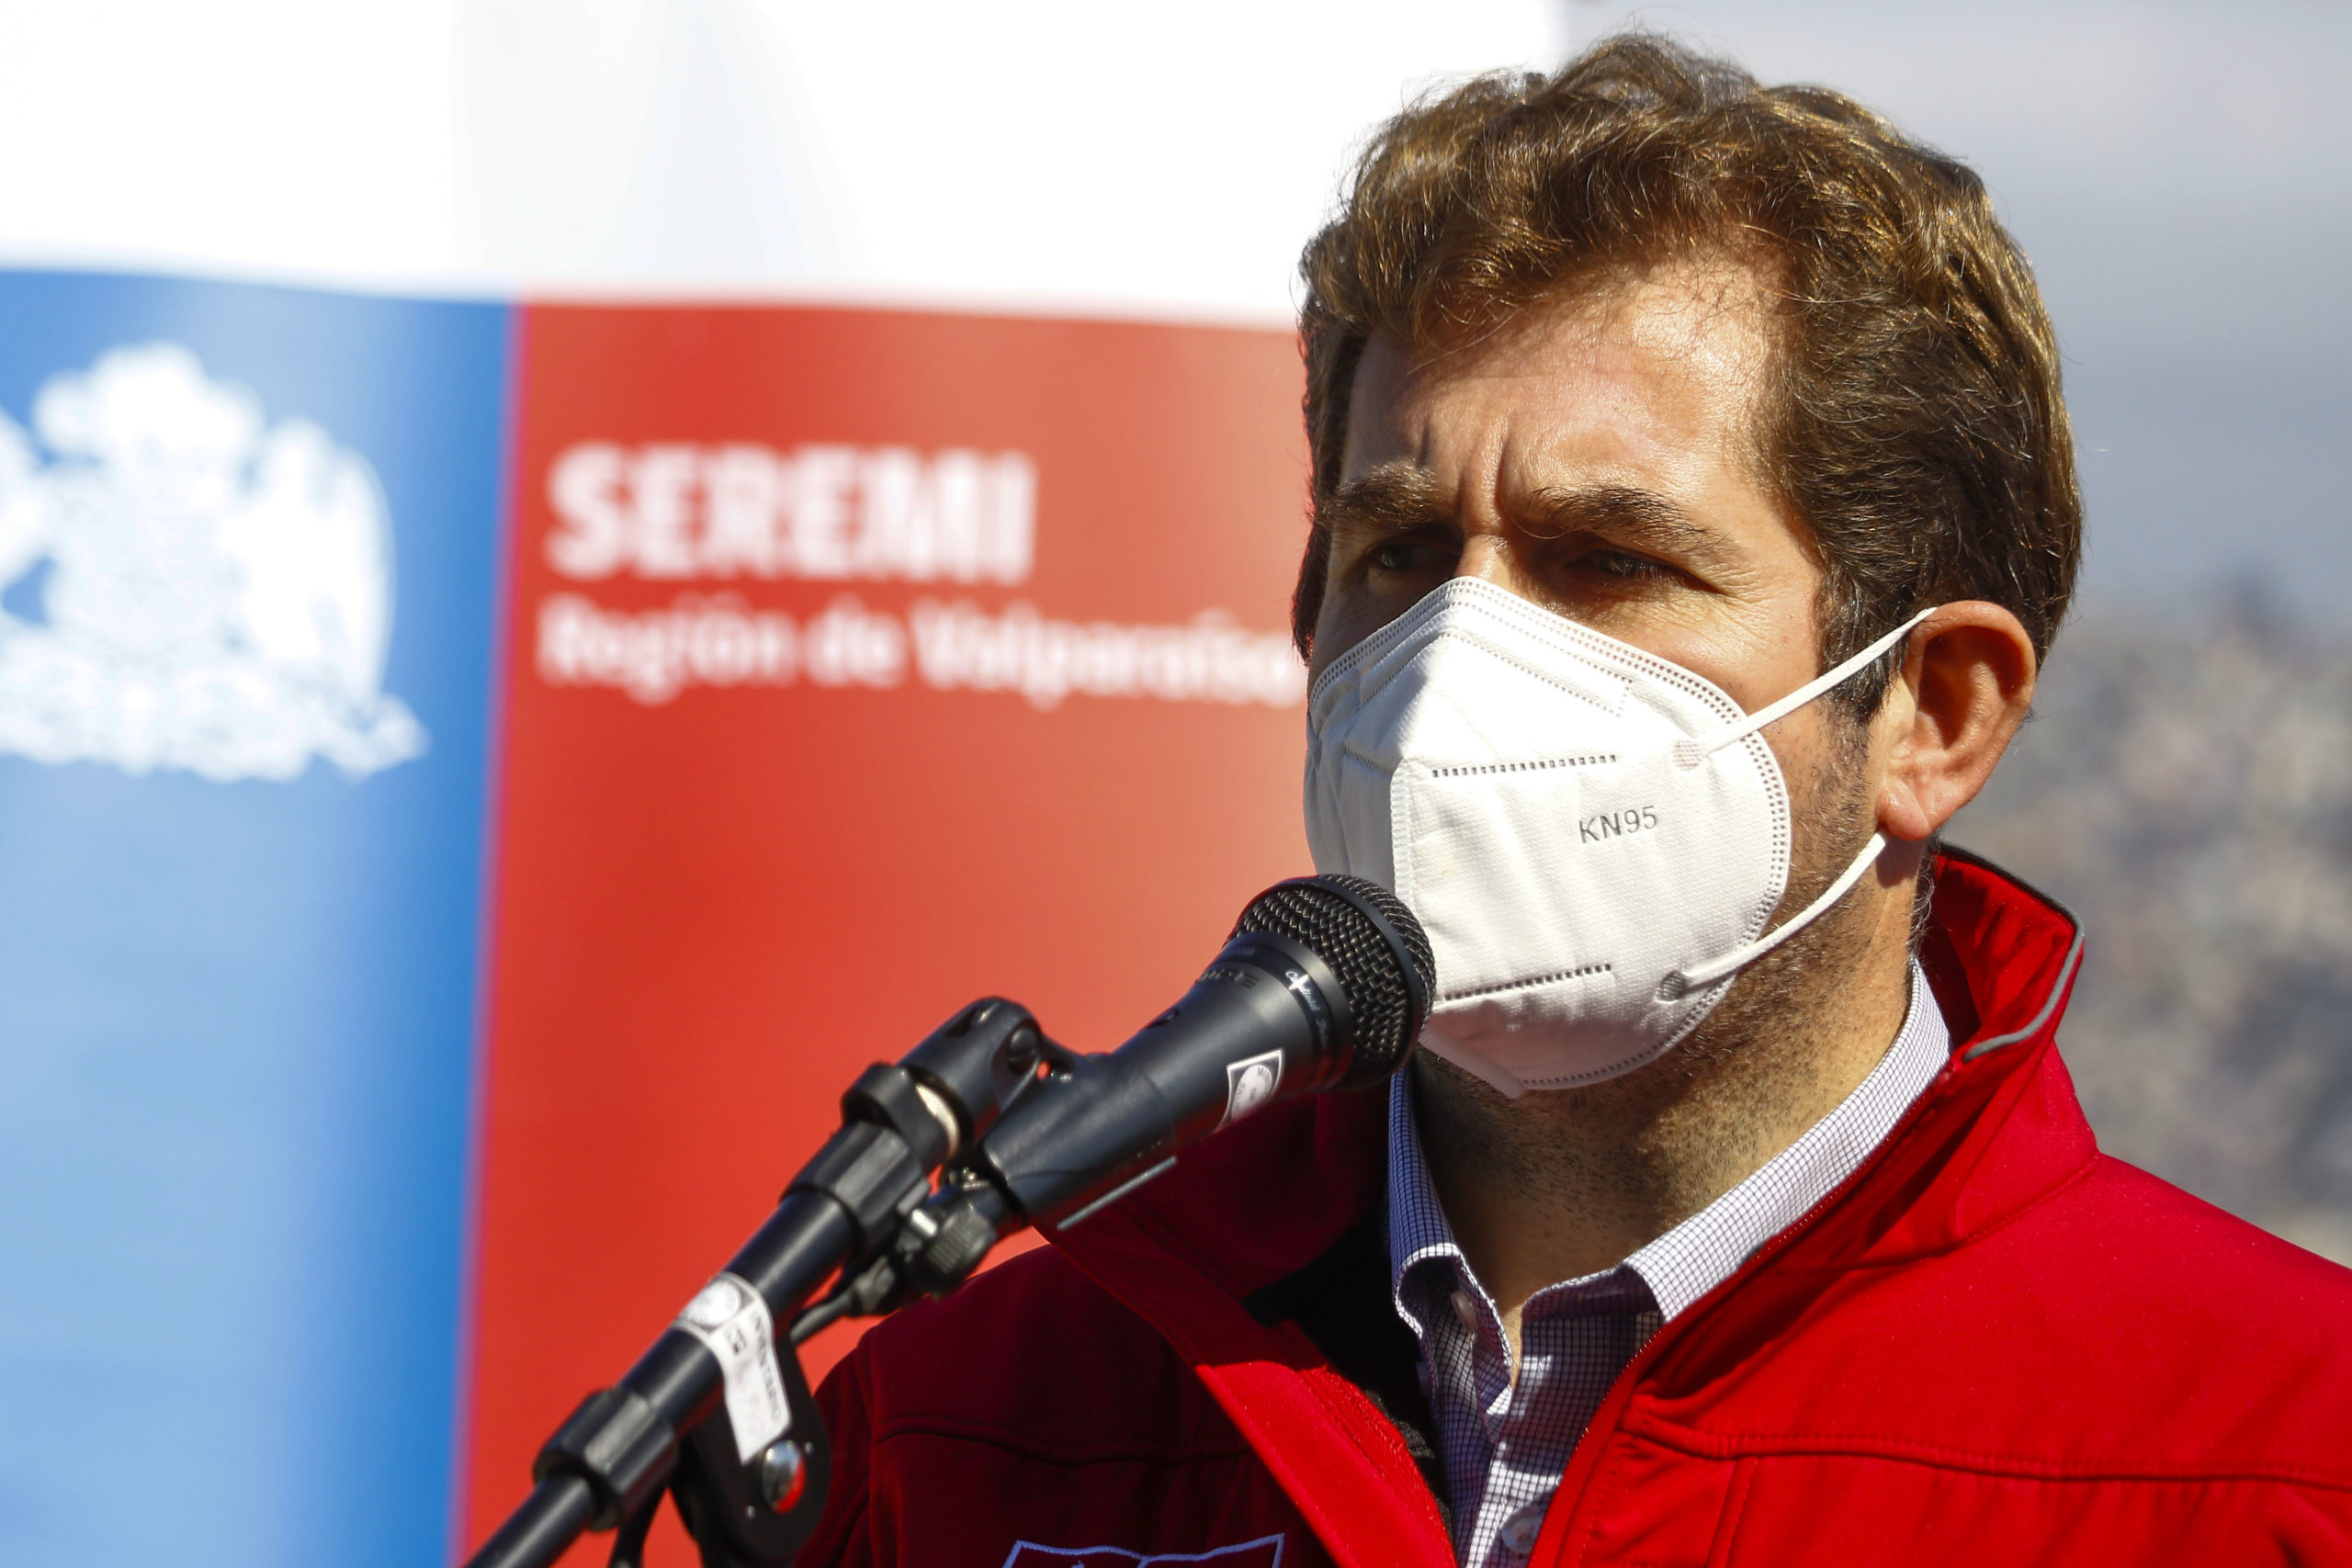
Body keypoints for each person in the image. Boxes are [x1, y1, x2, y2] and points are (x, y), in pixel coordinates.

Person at [804, 35, 2352, 1567]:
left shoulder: (2278, 1467)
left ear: (1933, 716)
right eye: (1402, 553)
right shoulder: (959, 1437)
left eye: (1609, 562)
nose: (1450, 666)